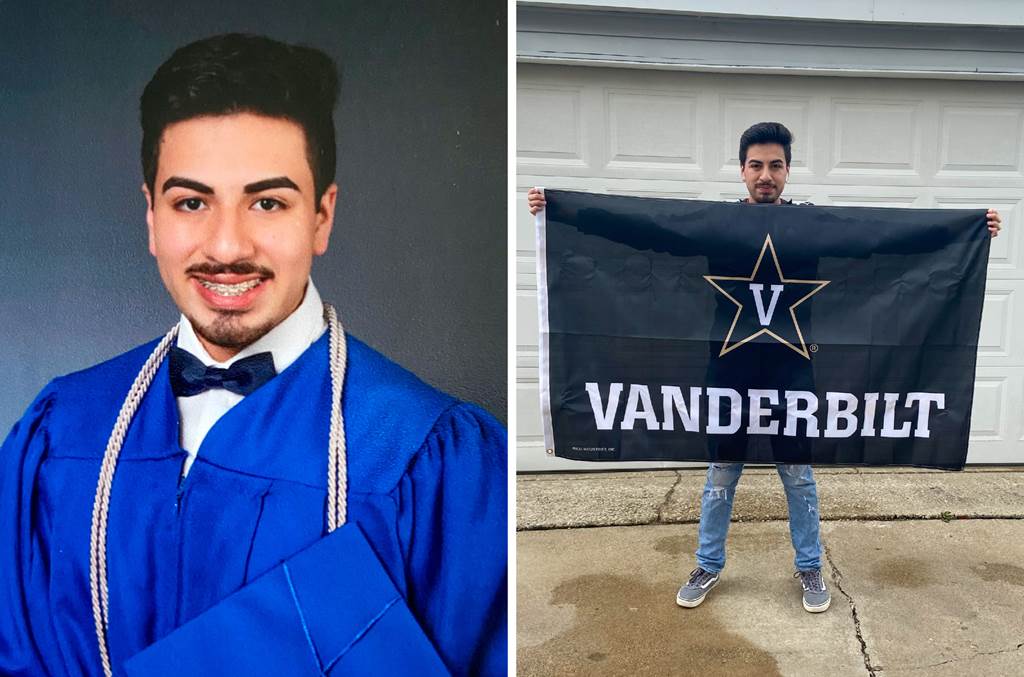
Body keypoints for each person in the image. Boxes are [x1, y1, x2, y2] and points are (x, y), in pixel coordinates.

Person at [1, 33, 506, 676]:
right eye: (191, 202)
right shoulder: (62, 429)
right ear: (151, 217)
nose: (227, 244)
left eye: (267, 202)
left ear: (321, 217)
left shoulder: (427, 458)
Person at [527, 121, 1001, 614]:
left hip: (792, 368)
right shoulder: (720, 224)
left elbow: (880, 236)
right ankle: (708, 564)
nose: (766, 175)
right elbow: (649, 226)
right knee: (722, 471)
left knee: (797, 473)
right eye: (756, 165)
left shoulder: (810, 226)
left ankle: (810, 565)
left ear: (788, 170)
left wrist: (965, 229)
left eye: (776, 165)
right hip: (729, 369)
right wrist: (568, 214)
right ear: (742, 170)